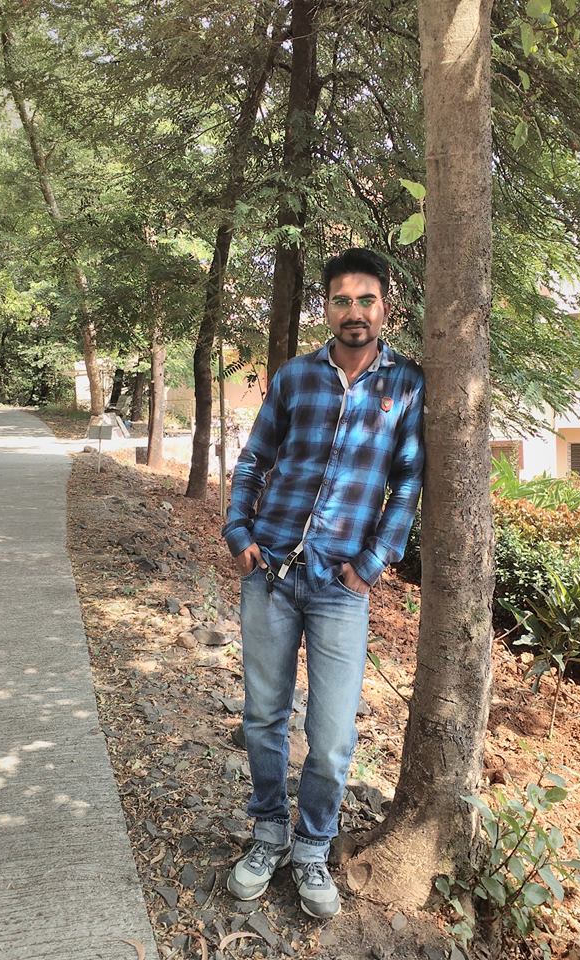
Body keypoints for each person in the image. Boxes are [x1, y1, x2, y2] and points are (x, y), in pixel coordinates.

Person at [221, 247, 425, 918]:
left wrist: (374, 563)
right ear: (327, 308)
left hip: (341, 587)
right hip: (271, 574)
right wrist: (239, 531)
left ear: (385, 308)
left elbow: (407, 482)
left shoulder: (407, 385)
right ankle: (268, 834)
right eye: (342, 300)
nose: (354, 311)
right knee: (263, 718)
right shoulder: (296, 377)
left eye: (366, 299)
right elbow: (255, 457)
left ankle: (312, 847)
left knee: (333, 737)